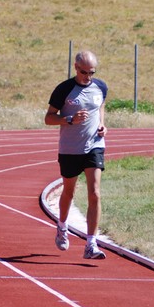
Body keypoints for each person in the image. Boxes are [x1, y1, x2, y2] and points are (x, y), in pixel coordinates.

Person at [45, 50, 108, 260]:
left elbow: (100, 106)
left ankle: (91, 244)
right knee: (69, 192)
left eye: (91, 72)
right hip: (70, 149)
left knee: (95, 193)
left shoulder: (100, 87)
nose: (87, 77)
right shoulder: (64, 89)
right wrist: (70, 119)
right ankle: (62, 225)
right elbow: (49, 118)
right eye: (84, 72)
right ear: (75, 67)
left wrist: (101, 124)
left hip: (94, 146)